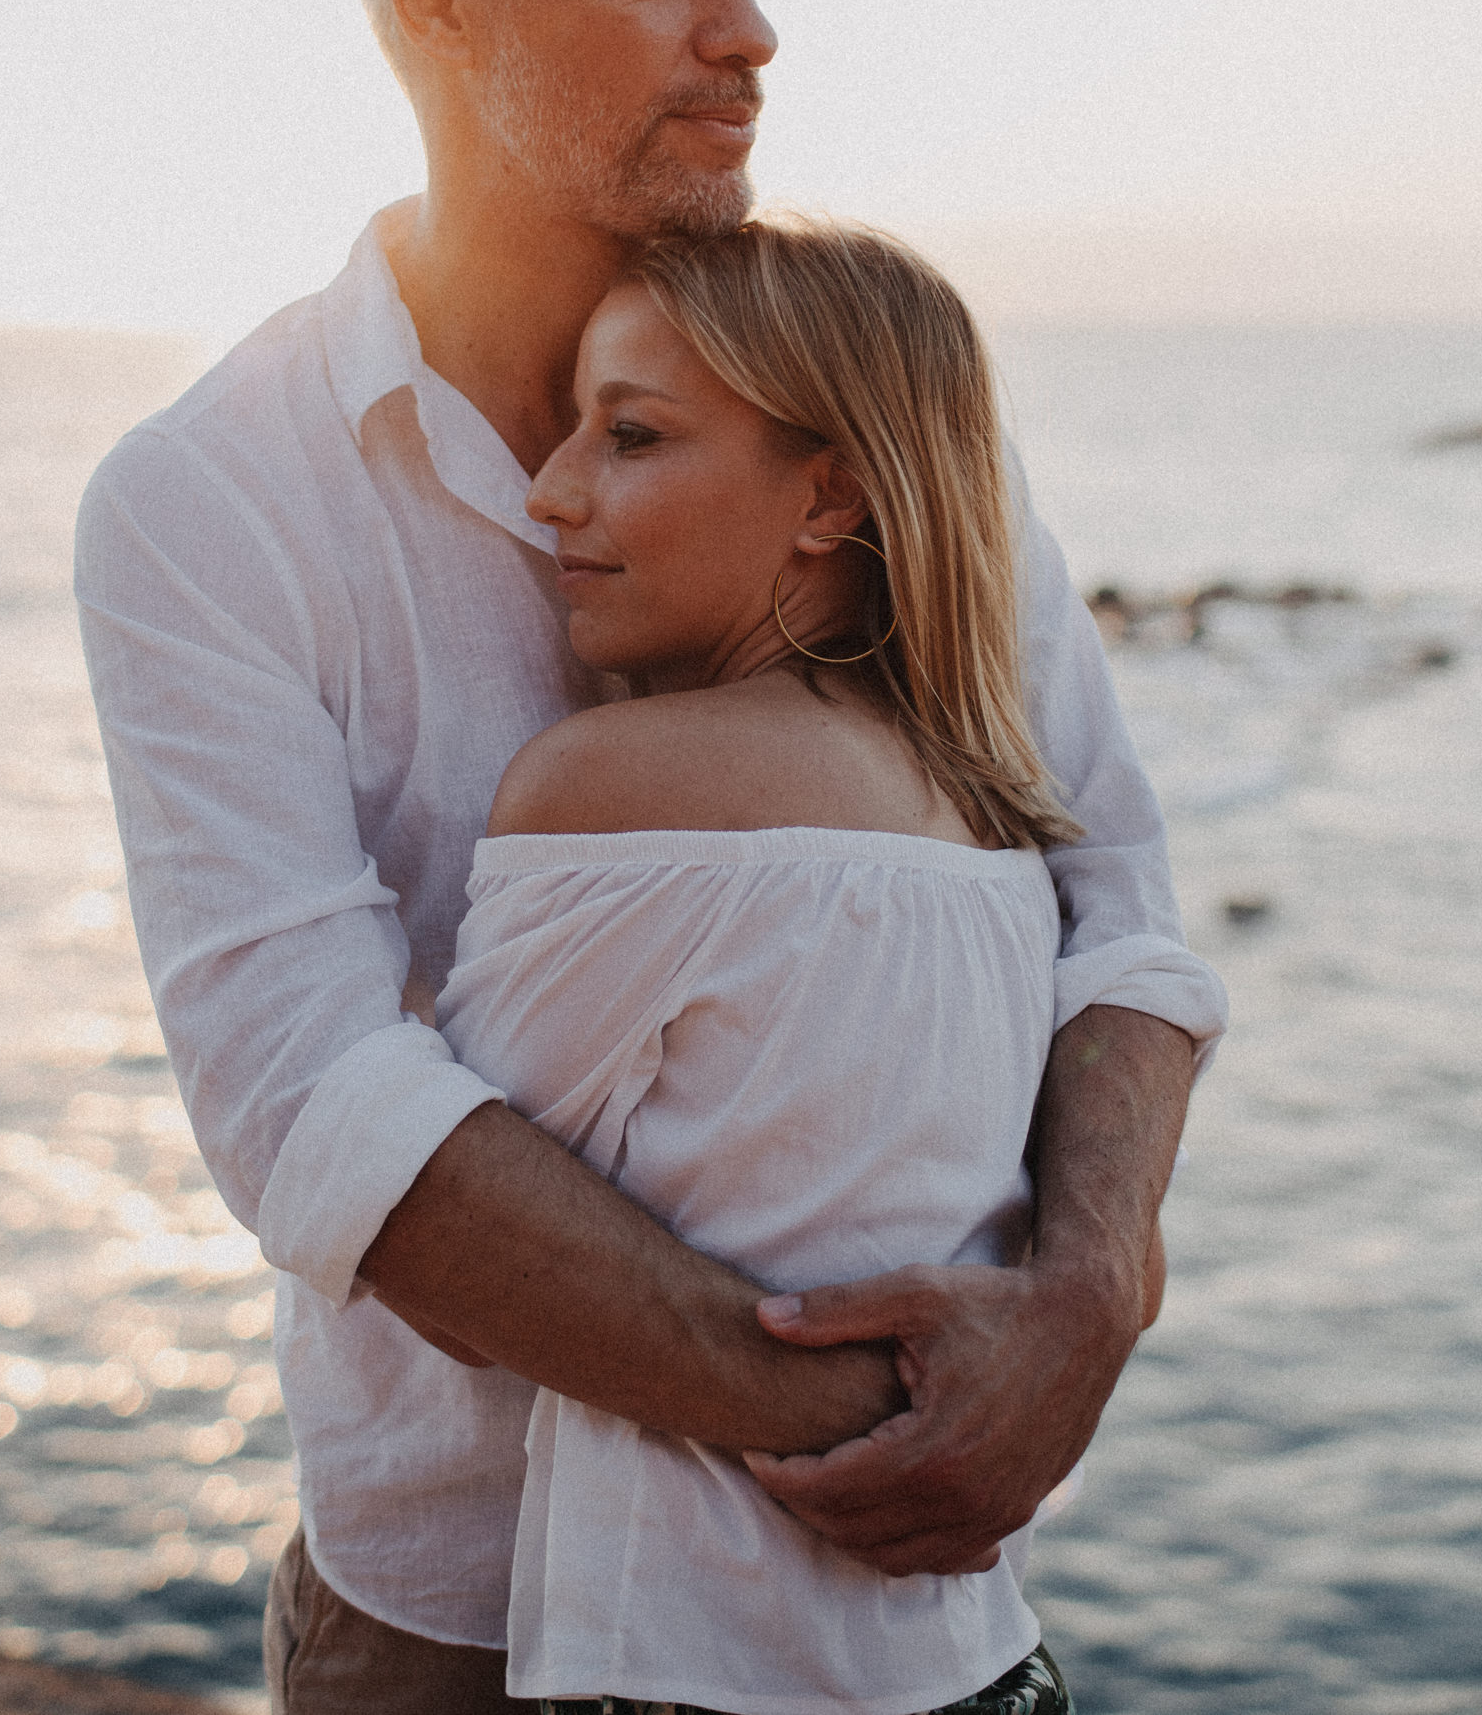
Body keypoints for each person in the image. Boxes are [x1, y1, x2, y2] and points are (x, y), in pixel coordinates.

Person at [71, 0, 1224, 1709]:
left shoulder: (858, 423)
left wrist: (1095, 1295)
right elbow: (308, 1101)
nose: (751, 29)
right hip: (456, 1612)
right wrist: (862, 1411)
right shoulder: (210, 497)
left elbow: (1108, 878)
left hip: (874, 1619)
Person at [435, 216, 1121, 1713]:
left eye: (630, 436)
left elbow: (451, 1268)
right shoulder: (997, 827)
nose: (549, 492)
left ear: (832, 495)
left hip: (696, 1676)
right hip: (983, 1666)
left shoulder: (614, 788)